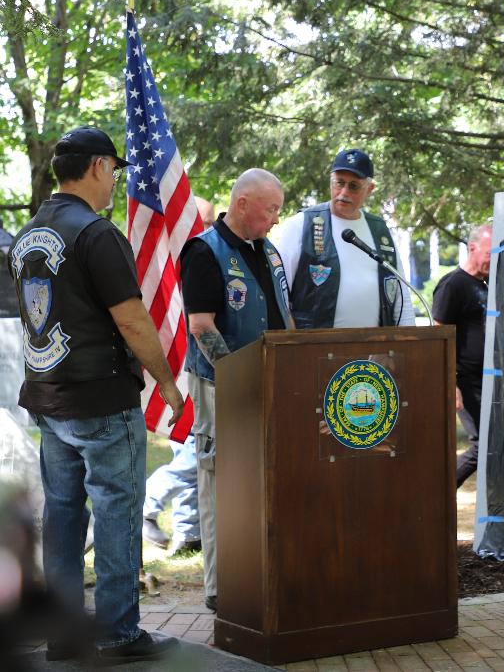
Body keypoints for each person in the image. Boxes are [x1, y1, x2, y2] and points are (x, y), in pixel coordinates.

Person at [6, 126, 183, 663]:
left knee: (62, 515)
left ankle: (65, 632)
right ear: (99, 167)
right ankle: (116, 633)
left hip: (49, 400)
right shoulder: (96, 234)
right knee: (116, 511)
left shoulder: (29, 233)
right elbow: (131, 321)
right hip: (102, 401)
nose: (116, 184)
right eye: (115, 172)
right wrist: (169, 384)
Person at [180, 169, 292, 612]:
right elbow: (201, 325)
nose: (276, 219)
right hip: (221, 386)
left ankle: (263, 571)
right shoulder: (204, 251)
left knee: (266, 480)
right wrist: (236, 376)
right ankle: (220, 584)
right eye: (271, 209)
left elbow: (284, 313)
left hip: (274, 383)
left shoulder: (270, 252)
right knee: (218, 482)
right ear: (243, 204)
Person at [142, 197, 216, 556]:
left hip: (191, 365)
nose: (205, 230)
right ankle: (147, 503)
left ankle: (188, 533)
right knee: (193, 449)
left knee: (190, 445)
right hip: (179, 365)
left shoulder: (199, 254)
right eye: (203, 222)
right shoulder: (171, 260)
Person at [274, 148, 415, 328]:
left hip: (374, 350)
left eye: (353, 186)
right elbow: (278, 292)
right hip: (314, 349)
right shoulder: (302, 225)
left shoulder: (380, 232)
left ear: (370, 189)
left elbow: (401, 296)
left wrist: (407, 344)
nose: (344, 192)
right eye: (339, 183)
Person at [433, 224, 492, 488]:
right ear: (472, 248)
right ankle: (437, 491)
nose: (495, 259)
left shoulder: (488, 285)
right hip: (466, 381)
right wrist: (451, 384)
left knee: (495, 444)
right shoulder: (453, 284)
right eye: (491, 252)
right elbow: (439, 337)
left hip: (490, 379)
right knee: (483, 445)